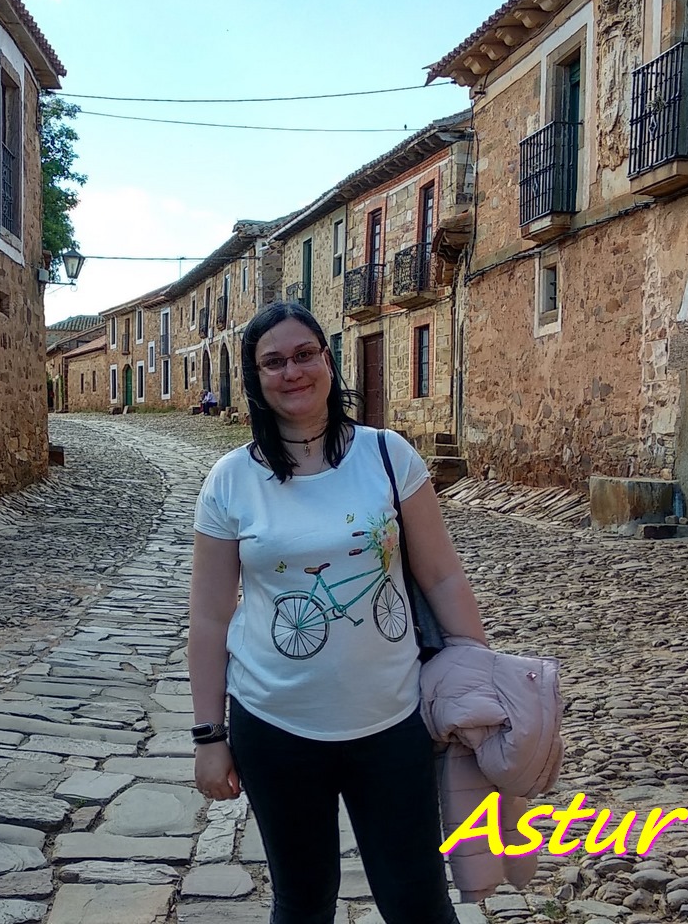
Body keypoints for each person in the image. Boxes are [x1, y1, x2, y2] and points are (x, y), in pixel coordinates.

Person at [187, 301, 488, 924]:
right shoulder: (231, 480)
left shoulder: (387, 456)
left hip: (392, 722)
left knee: (418, 902)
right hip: (274, 727)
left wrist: (479, 680)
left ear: (328, 360)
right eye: (273, 361)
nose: (291, 371)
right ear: (254, 377)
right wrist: (209, 737)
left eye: (304, 355)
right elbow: (211, 619)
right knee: (302, 903)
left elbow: (442, 575)